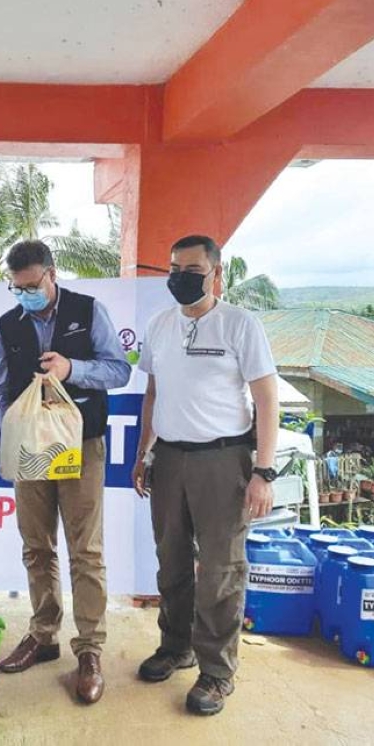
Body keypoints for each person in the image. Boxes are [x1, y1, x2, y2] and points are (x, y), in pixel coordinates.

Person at [132, 234, 279, 716]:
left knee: (220, 571)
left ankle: (217, 672)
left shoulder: (240, 325)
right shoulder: (158, 325)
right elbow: (153, 395)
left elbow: (265, 400)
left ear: (216, 273)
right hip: (169, 459)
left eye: (192, 269)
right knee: (171, 560)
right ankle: (177, 647)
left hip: (224, 461)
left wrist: (263, 471)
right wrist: (143, 453)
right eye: (174, 268)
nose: (180, 277)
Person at [0, 240, 131, 705]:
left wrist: (73, 369)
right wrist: (15, 428)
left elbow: (118, 371)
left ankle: (89, 650)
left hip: (82, 444)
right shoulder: (4, 326)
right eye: (17, 287)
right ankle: (43, 634)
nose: (25, 293)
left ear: (52, 273)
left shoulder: (89, 312)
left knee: (85, 549)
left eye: (32, 284)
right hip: (31, 449)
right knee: (36, 545)